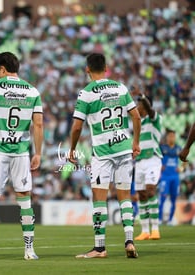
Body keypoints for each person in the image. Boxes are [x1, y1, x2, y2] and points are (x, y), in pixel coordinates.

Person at [69, 53, 141, 259]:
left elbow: (76, 127)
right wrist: (135, 142)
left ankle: (100, 248)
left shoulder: (87, 93)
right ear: (107, 67)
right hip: (124, 149)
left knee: (99, 198)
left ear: (87, 70)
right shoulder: (120, 87)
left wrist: (72, 149)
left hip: (103, 153)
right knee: (125, 197)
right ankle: (129, 241)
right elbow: (136, 116)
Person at [0, 51, 43, 260]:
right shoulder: (32, 91)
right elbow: (38, 124)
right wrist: (38, 153)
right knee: (24, 199)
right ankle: (29, 250)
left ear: (3, 68)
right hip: (20, 152)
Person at [132, 91, 163, 241]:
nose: (137, 106)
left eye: (140, 104)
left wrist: (143, 97)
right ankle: (145, 230)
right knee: (142, 195)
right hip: (139, 161)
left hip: (153, 159)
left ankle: (155, 229)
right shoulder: (139, 123)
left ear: (145, 105)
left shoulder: (154, 119)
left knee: (151, 190)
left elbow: (150, 111)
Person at [159, 129, 182, 225]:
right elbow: (156, 158)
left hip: (175, 177)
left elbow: (185, 161)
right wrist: (160, 166)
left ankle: (170, 220)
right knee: (162, 198)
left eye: (173, 136)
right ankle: (159, 219)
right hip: (165, 176)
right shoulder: (162, 148)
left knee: (174, 198)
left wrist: (181, 168)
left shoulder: (179, 148)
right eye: (170, 136)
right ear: (167, 137)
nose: (172, 137)